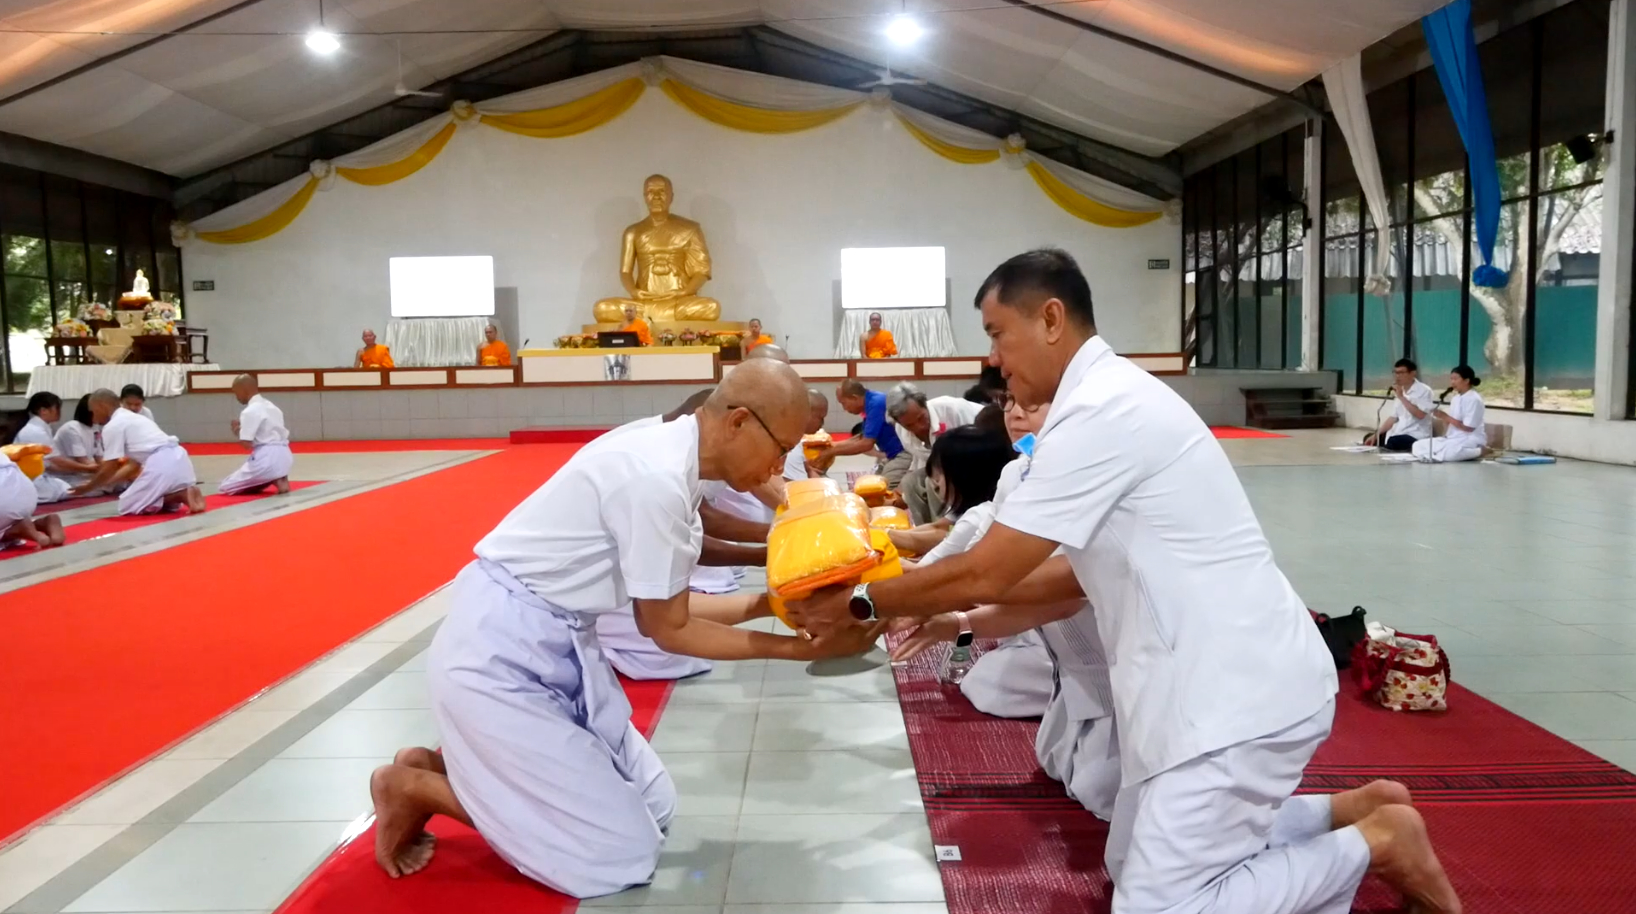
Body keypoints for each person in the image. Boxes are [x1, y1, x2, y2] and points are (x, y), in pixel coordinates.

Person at [790, 249, 1457, 914]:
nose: (993, 359)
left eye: (997, 334)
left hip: (1235, 692)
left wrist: (865, 599)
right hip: (1190, 686)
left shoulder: (1103, 411)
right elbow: (1061, 581)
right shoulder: (1096, 405)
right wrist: (950, 619)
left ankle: (1377, 842)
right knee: (1125, 862)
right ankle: (1342, 815)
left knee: (1156, 908)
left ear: (1051, 319)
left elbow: (991, 566)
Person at [369, 359, 883, 898]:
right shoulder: (656, 476)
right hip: (499, 654)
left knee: (657, 806)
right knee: (615, 856)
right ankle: (415, 787)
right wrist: (799, 648)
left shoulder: (668, 448)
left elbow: (669, 603)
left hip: (563, 639)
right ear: (737, 423)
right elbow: (669, 629)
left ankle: (452, 769)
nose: (780, 467)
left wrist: (768, 604)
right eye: (781, 449)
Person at [914, 391, 1056, 720]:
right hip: (1028, 620)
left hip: (1079, 625)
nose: (1016, 415)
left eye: (1031, 403)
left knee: (988, 682)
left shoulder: (1085, 468)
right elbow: (977, 563)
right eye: (1010, 402)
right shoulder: (1013, 473)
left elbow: (1066, 587)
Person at [75, 389, 207, 515]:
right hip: (180, 460)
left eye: (93, 411)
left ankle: (180, 495)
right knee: (148, 498)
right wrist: (105, 483)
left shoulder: (113, 425)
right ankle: (183, 494)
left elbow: (110, 465)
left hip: (161, 464)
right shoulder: (136, 418)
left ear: (101, 405)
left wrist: (90, 486)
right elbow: (133, 465)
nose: (94, 418)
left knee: (129, 505)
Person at [887, 382, 984, 525]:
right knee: (910, 482)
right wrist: (901, 493)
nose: (918, 427)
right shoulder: (901, 431)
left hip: (977, 462)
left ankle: (942, 531)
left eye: (921, 418)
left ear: (925, 404)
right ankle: (926, 530)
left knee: (934, 482)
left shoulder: (953, 409)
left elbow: (985, 444)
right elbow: (921, 458)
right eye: (909, 425)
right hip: (942, 467)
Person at [820, 379, 908, 487]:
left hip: (903, 454)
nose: (844, 409)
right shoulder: (871, 401)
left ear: (854, 398)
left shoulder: (876, 403)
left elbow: (866, 444)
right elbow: (860, 437)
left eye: (844, 403)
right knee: (871, 487)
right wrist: (830, 446)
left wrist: (830, 452)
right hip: (890, 455)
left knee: (885, 490)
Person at [218, 375, 293, 496]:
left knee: (226, 487)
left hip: (266, 458)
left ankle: (271, 478)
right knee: (258, 474)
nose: (236, 397)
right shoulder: (273, 407)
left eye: (236, 392)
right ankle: (277, 477)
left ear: (243, 390)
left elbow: (246, 444)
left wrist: (237, 430)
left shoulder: (250, 411)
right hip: (285, 455)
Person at [1411, 366, 1487, 465]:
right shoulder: (1456, 398)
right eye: (1451, 379)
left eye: (1455, 379)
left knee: (1450, 453)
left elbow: (1469, 428)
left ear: (1466, 380)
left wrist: (1445, 417)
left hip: (1470, 439)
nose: (1452, 382)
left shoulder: (1474, 399)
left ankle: (1481, 451)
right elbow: (1451, 422)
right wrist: (1444, 423)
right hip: (1453, 439)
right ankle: (1436, 455)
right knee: (1417, 445)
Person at [12, 393, 74, 503]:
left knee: (65, 487)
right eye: (57, 408)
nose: (59, 412)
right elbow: (56, 460)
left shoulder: (42, 428)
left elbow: (50, 463)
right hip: (29, 477)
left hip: (40, 474)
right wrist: (87, 468)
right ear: (43, 410)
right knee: (65, 490)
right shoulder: (35, 431)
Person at [1364, 359, 1435, 452]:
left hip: (1416, 435)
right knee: (1369, 438)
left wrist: (1401, 397)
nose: (1398, 376)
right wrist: (1376, 434)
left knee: (1394, 441)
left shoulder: (1424, 391)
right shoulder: (1400, 390)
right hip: (1400, 432)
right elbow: (1393, 418)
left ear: (1413, 373)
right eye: (1396, 373)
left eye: (1401, 373)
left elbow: (1420, 415)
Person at [1, 448, 64, 549]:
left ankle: (20, 530)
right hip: (26, 492)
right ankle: (41, 524)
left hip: (3, 503)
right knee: (8, 519)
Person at [50, 395, 103, 493]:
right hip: (69, 475)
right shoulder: (72, 428)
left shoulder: (95, 427)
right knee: (98, 487)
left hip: (86, 472)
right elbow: (82, 461)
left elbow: (99, 457)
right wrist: (105, 471)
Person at [784, 391, 829, 483]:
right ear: (805, 413)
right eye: (820, 418)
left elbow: (808, 470)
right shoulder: (785, 442)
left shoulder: (796, 437)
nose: (822, 423)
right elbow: (788, 485)